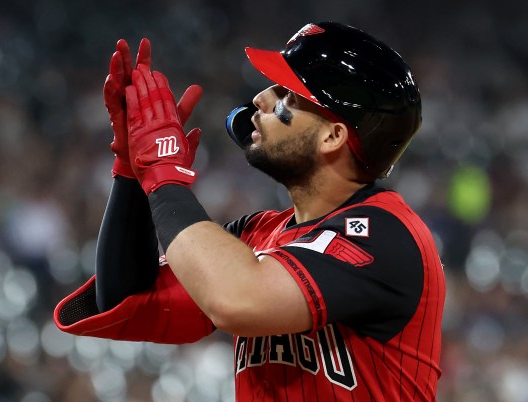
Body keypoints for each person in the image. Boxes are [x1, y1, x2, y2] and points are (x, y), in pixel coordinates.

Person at [54, 21, 446, 401]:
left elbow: (236, 299)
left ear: (333, 135)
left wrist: (164, 172)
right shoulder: (259, 234)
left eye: (288, 95)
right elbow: (125, 299)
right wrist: (132, 173)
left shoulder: (386, 234)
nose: (260, 99)